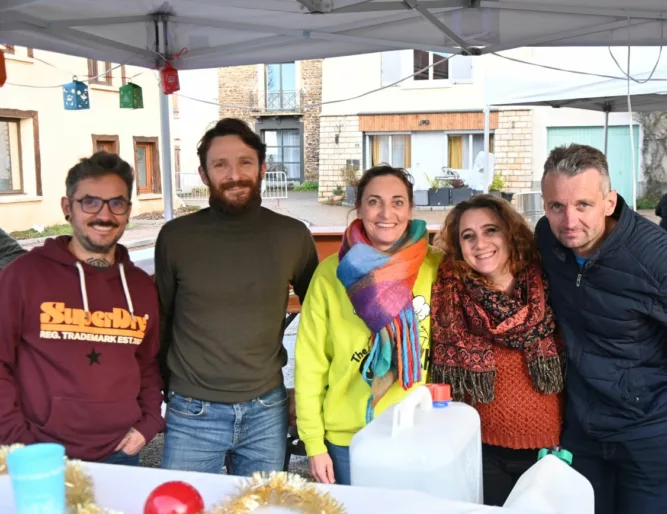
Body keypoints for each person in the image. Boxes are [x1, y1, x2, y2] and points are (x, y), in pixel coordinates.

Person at [535, 143, 667, 514]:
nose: (568, 221)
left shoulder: (663, 260)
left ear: (609, 202)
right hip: (582, 426)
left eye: (583, 205)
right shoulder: (548, 239)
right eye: (556, 206)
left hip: (650, 431)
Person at [156, 118, 319, 476]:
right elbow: (162, 319)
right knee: (182, 504)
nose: (235, 174)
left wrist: (309, 393)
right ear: (203, 174)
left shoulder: (292, 236)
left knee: (261, 506)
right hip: (190, 410)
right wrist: (158, 392)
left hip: (267, 409)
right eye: (221, 164)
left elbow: (324, 320)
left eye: (245, 162)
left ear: (262, 168)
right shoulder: (175, 237)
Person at [0, 152, 164, 465]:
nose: (105, 215)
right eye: (90, 202)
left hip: (122, 451)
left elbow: (148, 364)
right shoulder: (23, 276)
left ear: (128, 211)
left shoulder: (141, 287)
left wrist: (149, 424)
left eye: (117, 203)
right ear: (67, 208)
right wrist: (16, 439)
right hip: (39, 453)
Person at [294, 165, 442, 485]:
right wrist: (314, 442)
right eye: (374, 201)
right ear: (359, 207)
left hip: (419, 432)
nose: (386, 212)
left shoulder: (436, 266)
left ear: (410, 209)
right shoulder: (331, 274)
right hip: (349, 438)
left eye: (398, 202)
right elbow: (310, 365)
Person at [430, 194, 564, 507]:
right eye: (468, 236)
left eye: (491, 230)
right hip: (480, 452)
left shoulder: (548, 280)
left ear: (510, 233)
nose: (480, 243)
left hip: (551, 451)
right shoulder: (449, 290)